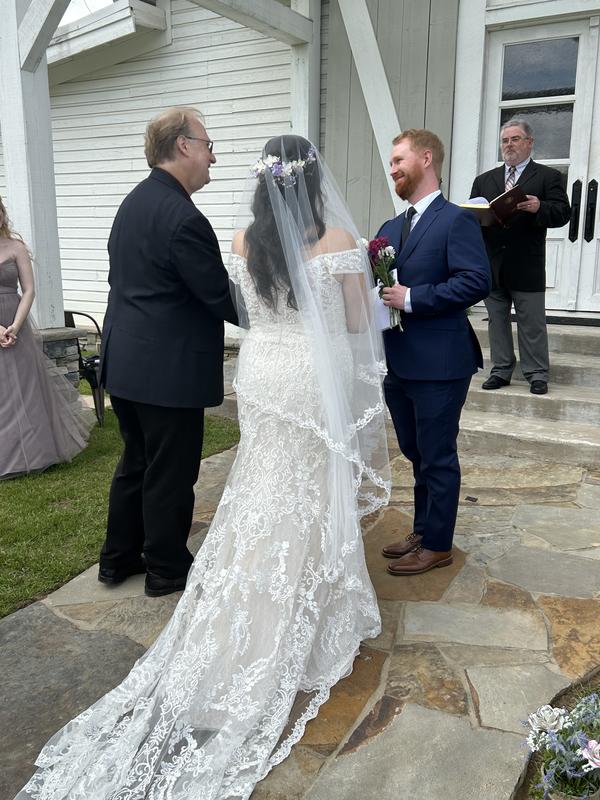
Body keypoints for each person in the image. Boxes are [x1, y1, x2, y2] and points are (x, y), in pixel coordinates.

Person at [14, 135, 390, 800]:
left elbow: (247, 312)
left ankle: (249, 602)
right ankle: (306, 614)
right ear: (313, 183)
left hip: (266, 374)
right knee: (309, 487)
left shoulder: (245, 242)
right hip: (310, 373)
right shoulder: (336, 244)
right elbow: (357, 320)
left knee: (263, 486)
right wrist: (372, 284)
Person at [97, 107, 238, 598]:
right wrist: (277, 309)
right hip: (166, 369)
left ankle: (118, 558)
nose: (212, 157)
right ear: (183, 145)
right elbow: (218, 295)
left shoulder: (134, 202)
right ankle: (167, 568)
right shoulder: (183, 216)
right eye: (208, 144)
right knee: (171, 471)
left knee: (137, 460)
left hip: (126, 361)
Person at [376, 129, 491, 576]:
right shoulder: (389, 228)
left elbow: (475, 280)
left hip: (441, 362)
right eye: (390, 162)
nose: (392, 168)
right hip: (399, 359)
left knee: (438, 454)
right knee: (414, 450)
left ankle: (438, 543)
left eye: (399, 159)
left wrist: (413, 298)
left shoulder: (455, 219)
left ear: (426, 159)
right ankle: (424, 527)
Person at [470, 119, 571, 395]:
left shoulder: (547, 177)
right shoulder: (484, 180)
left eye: (515, 139)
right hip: (493, 263)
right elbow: (473, 216)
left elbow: (563, 214)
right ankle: (501, 369)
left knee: (532, 322)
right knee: (496, 320)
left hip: (527, 263)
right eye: (505, 140)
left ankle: (537, 373)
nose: (509, 145)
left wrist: (540, 207)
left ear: (529, 142)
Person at [0, 197, 92, 479]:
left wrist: (14, 325)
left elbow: (28, 290)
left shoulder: (16, 247)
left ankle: (36, 452)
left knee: (27, 389)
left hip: (17, 324)